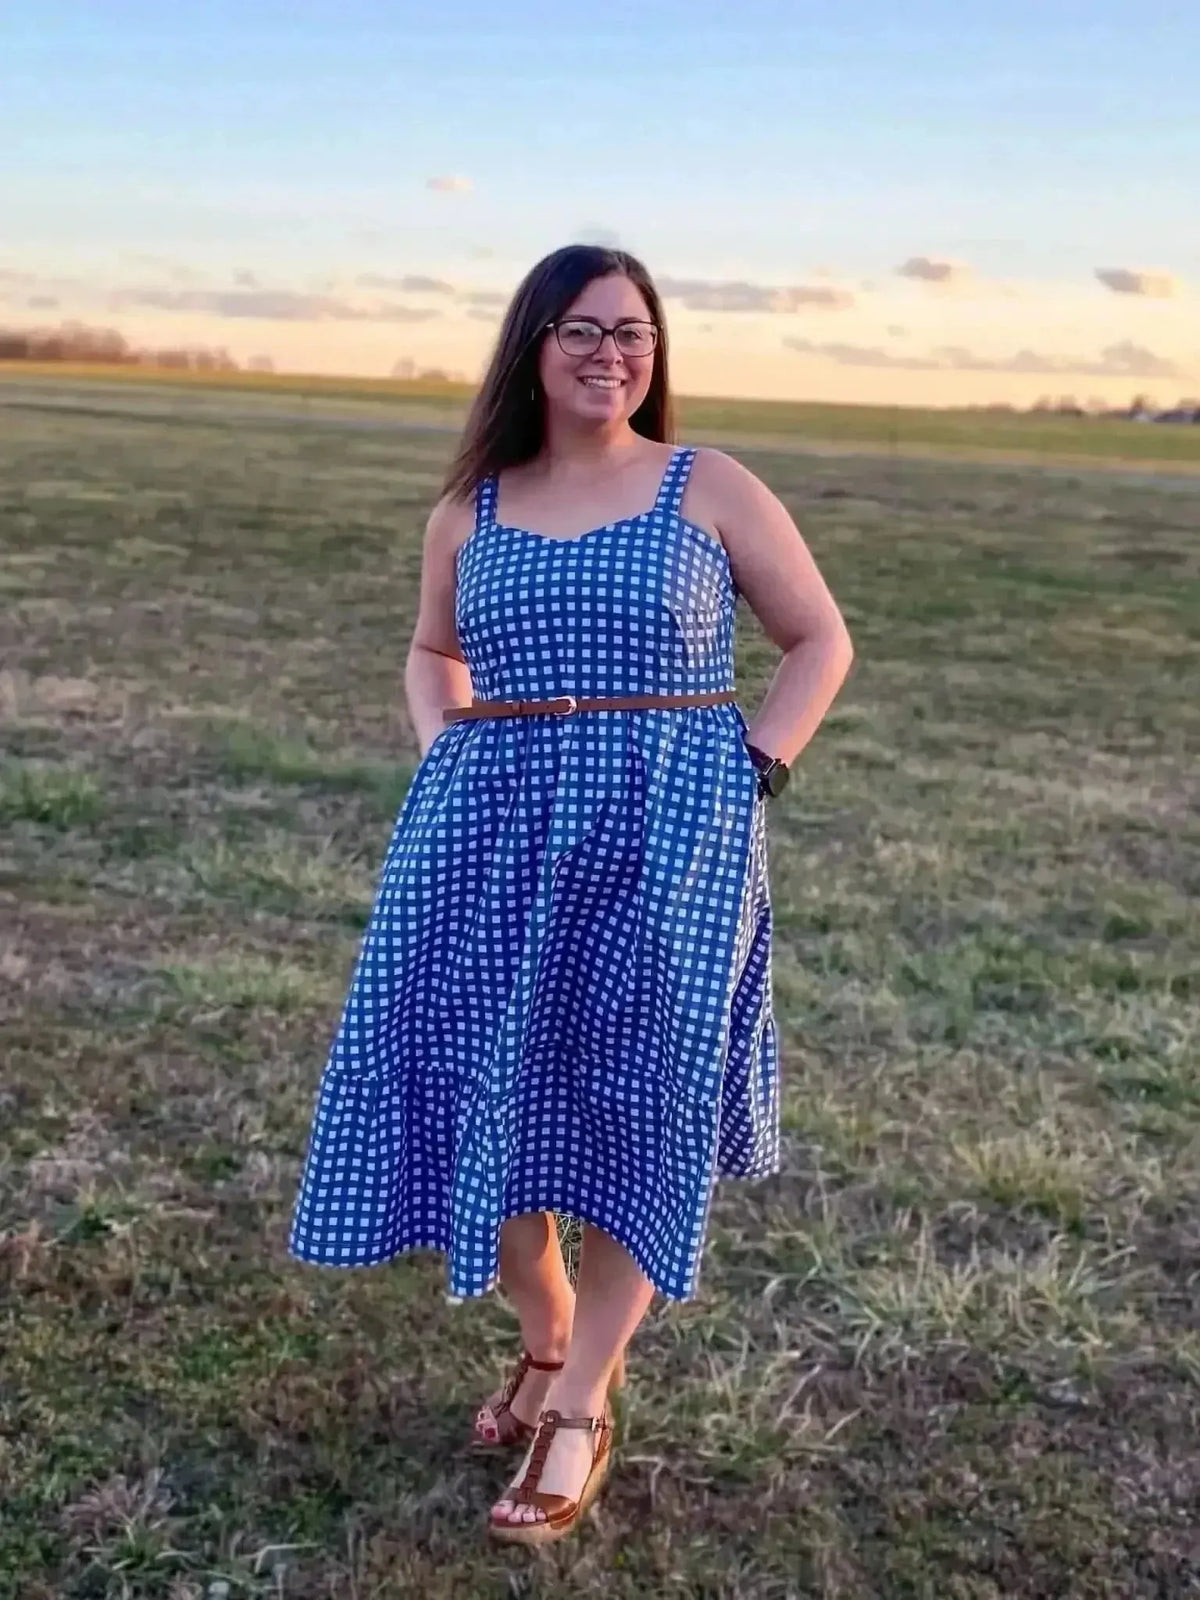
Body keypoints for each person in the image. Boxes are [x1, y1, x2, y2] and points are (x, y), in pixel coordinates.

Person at [288, 243, 854, 1545]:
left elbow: (819, 639)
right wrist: (451, 746)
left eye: (635, 332)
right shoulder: (473, 507)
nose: (613, 354)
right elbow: (435, 650)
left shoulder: (704, 486)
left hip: (670, 838)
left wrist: (755, 766)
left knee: (633, 1098)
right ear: (533, 347)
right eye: (584, 331)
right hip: (489, 835)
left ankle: (584, 1398)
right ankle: (545, 1333)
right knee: (492, 1078)